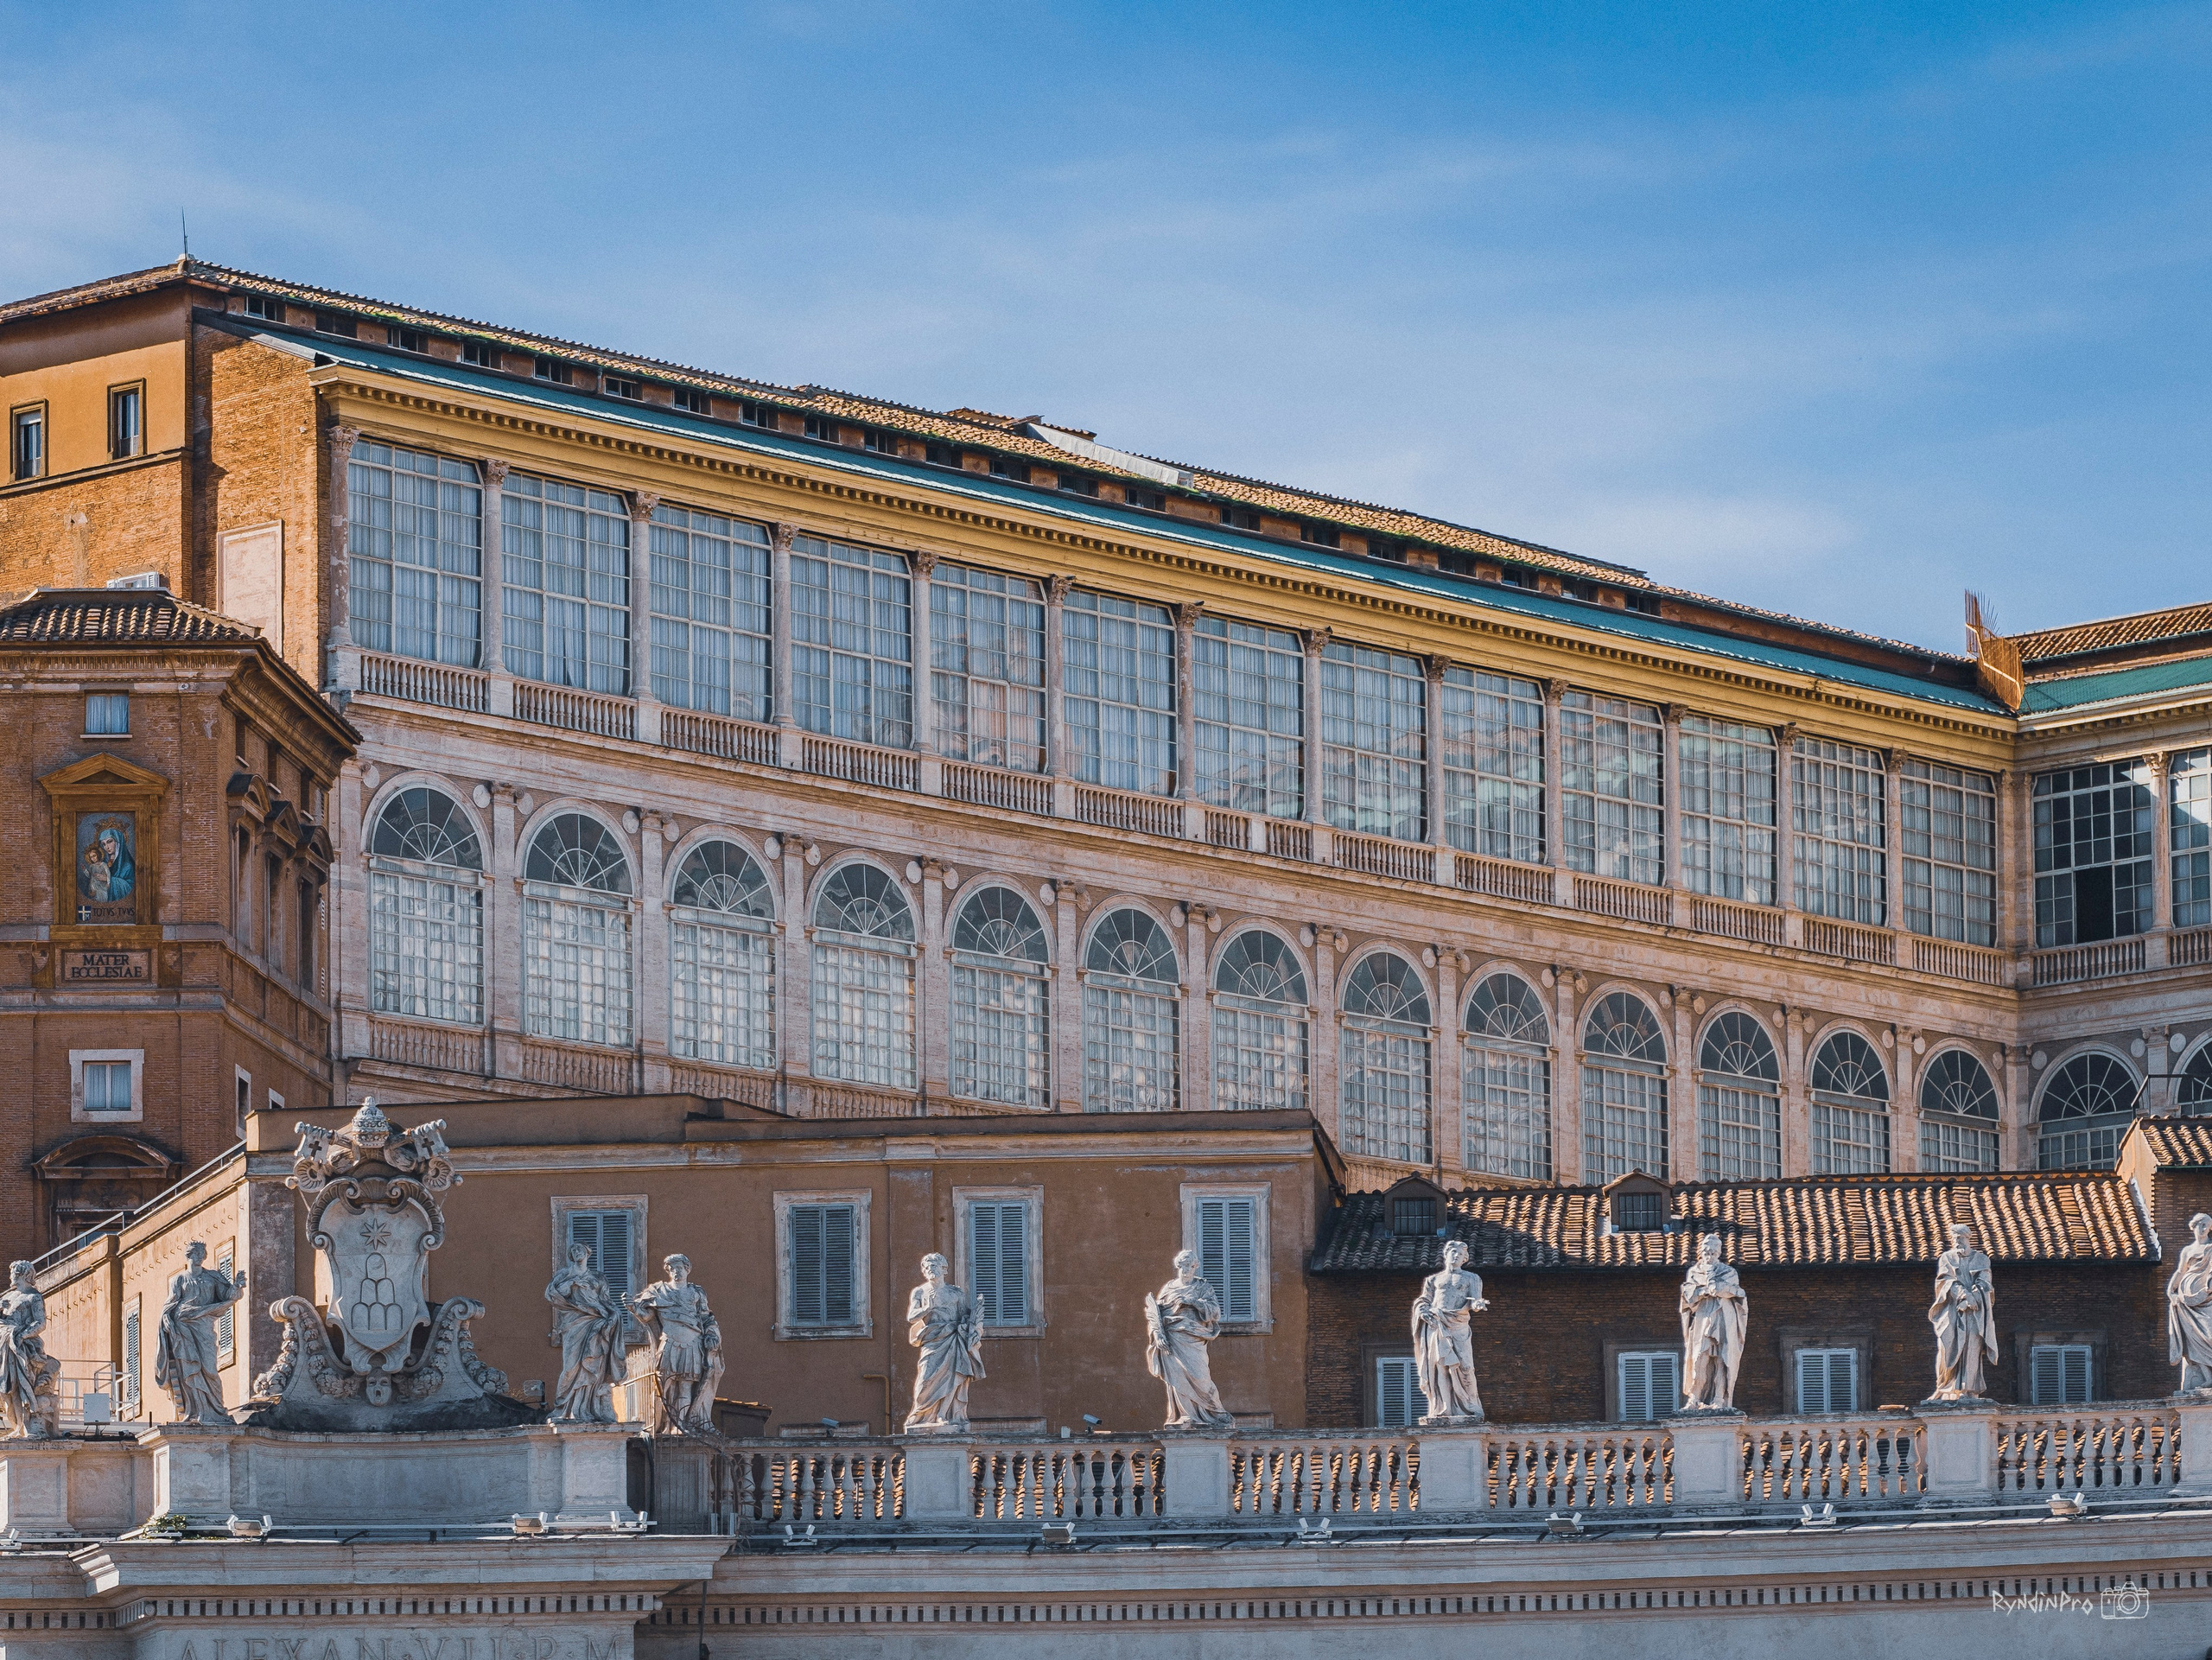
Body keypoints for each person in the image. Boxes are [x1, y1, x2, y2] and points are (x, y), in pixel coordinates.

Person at [630, 1254, 724, 1434]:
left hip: (692, 1343)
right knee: (664, 1383)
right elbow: (648, 1317)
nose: (675, 1272)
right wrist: (634, 1309)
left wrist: (712, 1335)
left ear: (687, 1269)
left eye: (679, 1268)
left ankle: (680, 1425)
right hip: (669, 1342)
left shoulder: (696, 1293)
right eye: (672, 1269)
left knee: (686, 1385)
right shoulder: (658, 1291)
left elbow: (706, 1318)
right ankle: (665, 1424)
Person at [153, 1242, 245, 1424]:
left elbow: (229, 1296)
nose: (200, 1256)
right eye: (196, 1253)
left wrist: (237, 1286)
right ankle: (194, 1411)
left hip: (204, 1324)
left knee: (209, 1367)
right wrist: (166, 1320)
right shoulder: (179, 1280)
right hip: (183, 1324)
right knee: (188, 1366)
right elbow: (170, 1304)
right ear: (188, 1256)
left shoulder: (213, 1277)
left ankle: (215, 1410)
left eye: (202, 1253)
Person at [1145, 1250, 1236, 1430]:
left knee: (1201, 1377)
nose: (1187, 1269)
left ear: (1196, 1267)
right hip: (1173, 1338)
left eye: (1191, 1266)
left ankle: (1215, 1412)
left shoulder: (1203, 1287)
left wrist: (1194, 1301)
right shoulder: (1168, 1289)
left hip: (1194, 1337)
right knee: (1177, 1379)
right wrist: (1157, 1335)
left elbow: (1215, 1312)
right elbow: (1154, 1317)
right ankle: (1185, 1416)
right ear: (1178, 1266)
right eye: (1184, 1265)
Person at [903, 1253, 984, 1431]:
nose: (930, 1270)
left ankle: (943, 1414)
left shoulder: (956, 1293)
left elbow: (966, 1318)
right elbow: (911, 1317)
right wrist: (928, 1307)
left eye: (934, 1266)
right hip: (932, 1340)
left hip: (953, 1339)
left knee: (954, 1376)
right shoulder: (919, 1292)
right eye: (927, 1267)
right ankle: (920, 1414)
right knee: (926, 1379)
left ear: (943, 1269)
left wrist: (975, 1328)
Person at [545, 1242, 625, 1423]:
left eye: (580, 1249)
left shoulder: (598, 1277)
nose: (576, 1252)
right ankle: (565, 1407)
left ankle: (588, 1408)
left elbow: (605, 1300)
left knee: (594, 1365)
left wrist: (615, 1314)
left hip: (597, 1322)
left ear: (588, 1253)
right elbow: (552, 1295)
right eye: (573, 1250)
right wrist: (572, 1282)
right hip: (574, 1323)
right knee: (571, 1365)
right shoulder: (564, 1275)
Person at [1411, 1238, 1490, 1422]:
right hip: (1437, 1324)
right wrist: (1423, 1311)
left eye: (1460, 1254)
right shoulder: (1433, 1280)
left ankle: (1470, 1407)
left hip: (1459, 1325)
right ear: (1445, 1255)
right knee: (1441, 1367)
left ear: (1465, 1259)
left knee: (1466, 1367)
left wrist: (1477, 1305)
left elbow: (1475, 1301)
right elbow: (1424, 1300)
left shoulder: (1472, 1278)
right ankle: (1443, 1408)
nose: (1455, 1256)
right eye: (1452, 1252)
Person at [1928, 1222, 1999, 1401]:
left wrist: (1972, 1298)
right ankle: (1945, 1387)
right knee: (1946, 1345)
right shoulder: (1947, 1258)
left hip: (1975, 1312)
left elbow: (1985, 1283)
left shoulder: (1981, 1259)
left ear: (1968, 1238)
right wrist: (1964, 1296)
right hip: (1952, 1310)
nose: (1957, 1241)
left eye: (1960, 1238)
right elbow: (1945, 1282)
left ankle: (1969, 1389)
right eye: (1954, 1239)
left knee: (1972, 1347)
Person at [1678, 1234, 1747, 1413]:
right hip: (1703, 1319)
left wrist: (1720, 1289)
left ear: (1719, 1252)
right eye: (1706, 1251)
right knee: (1700, 1358)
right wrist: (1702, 1291)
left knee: (1722, 1360)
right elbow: (1688, 1295)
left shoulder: (1728, 1272)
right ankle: (1695, 1398)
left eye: (1713, 1251)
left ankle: (1719, 1398)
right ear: (1701, 1252)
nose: (1709, 1254)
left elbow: (1738, 1293)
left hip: (1724, 1318)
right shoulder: (1694, 1272)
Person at [0, 1261, 58, 1440]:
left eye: (14, 1274)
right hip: (3, 1344)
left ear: (24, 1275)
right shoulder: (8, 1297)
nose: (11, 1277)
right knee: (5, 1389)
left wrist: (21, 1335)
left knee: (19, 1387)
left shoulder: (33, 1297)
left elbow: (40, 1323)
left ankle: (25, 1426)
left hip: (23, 1347)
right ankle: (17, 1426)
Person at [2169, 1213, 2212, 1395]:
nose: (2203, 1229)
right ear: (2193, 1226)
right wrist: (2170, 1290)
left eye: (2207, 1226)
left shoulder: (2211, 1248)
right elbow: (2180, 1271)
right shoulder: (2187, 1250)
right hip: (2186, 1300)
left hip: (2207, 1297)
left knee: (2209, 1334)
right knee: (2194, 1341)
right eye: (2200, 1225)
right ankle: (2207, 1378)